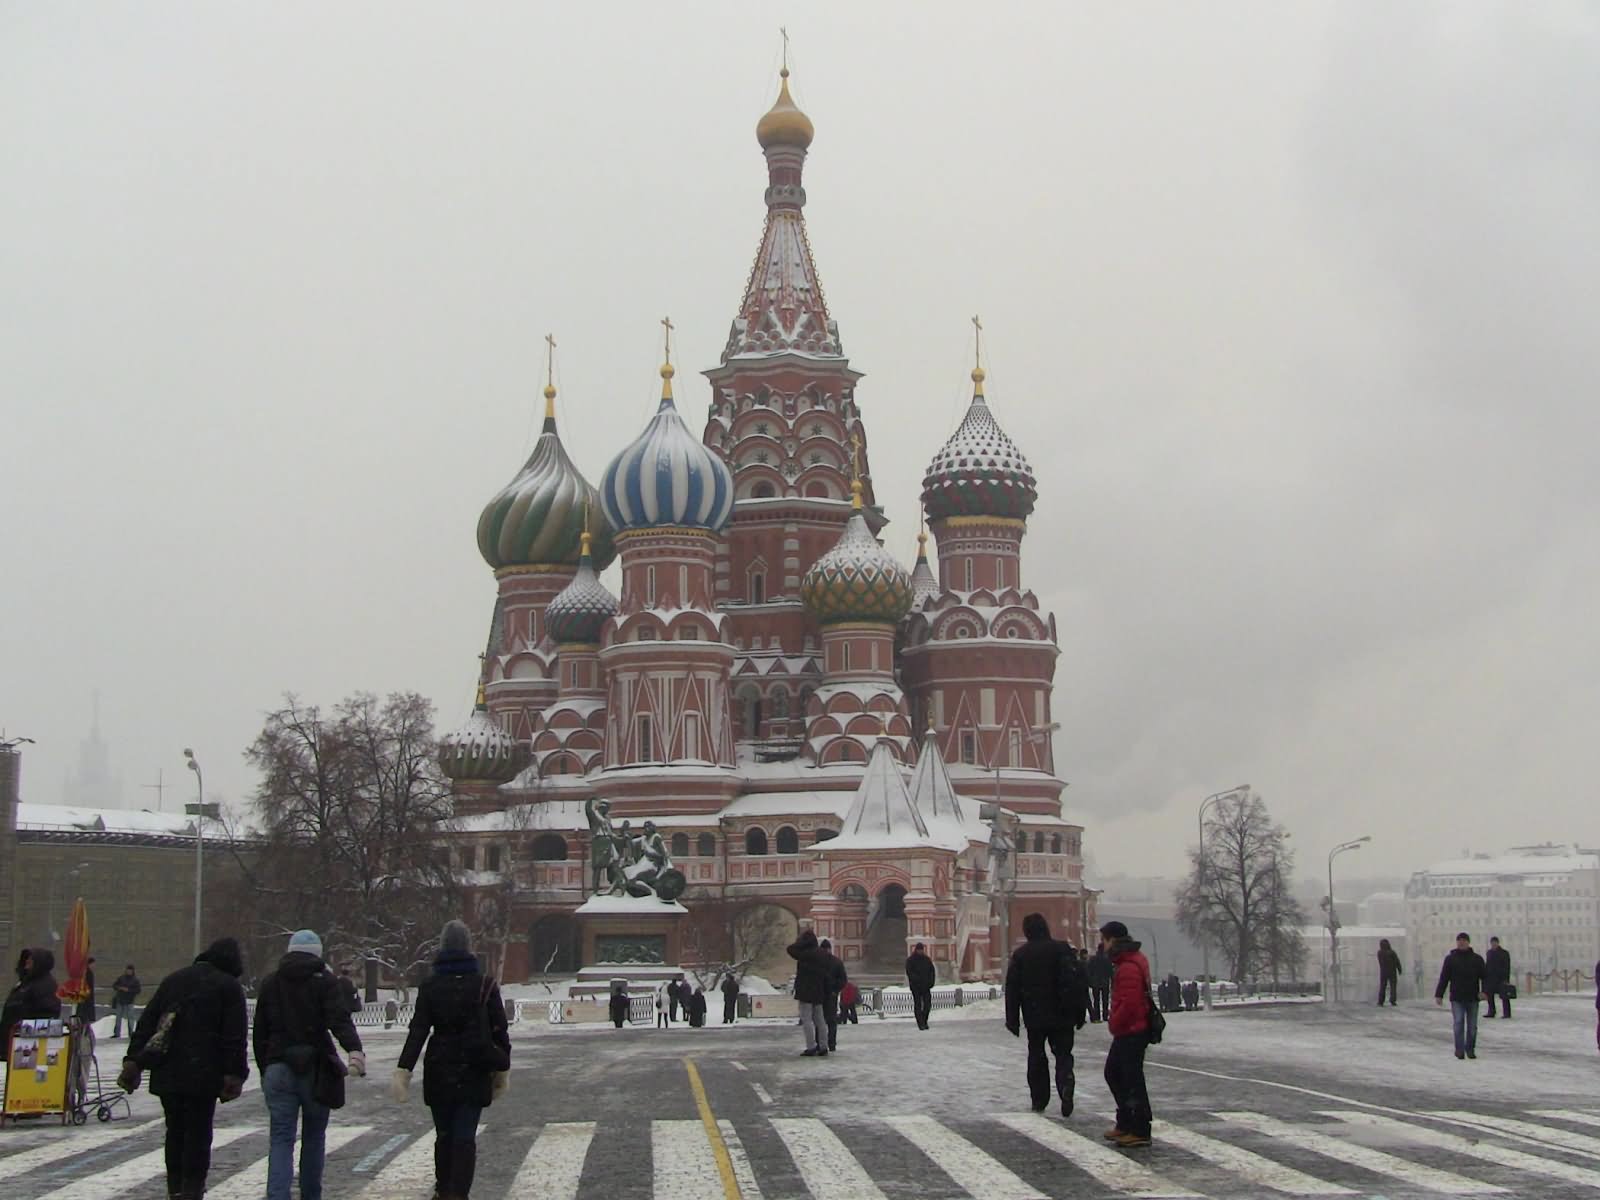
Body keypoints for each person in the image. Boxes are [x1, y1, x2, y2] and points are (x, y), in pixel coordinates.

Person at [118, 939, 249, 1200]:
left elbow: (148, 1023)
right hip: (204, 1073)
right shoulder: (229, 987)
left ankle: (175, 1187)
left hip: (169, 1071)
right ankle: (192, 1188)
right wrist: (234, 1073)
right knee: (199, 1133)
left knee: (175, 1131)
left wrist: (134, 1060)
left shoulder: (173, 981)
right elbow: (234, 1037)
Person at [392, 920, 511, 1200]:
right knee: (465, 1136)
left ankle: (443, 1189)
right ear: (469, 947)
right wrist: (502, 1067)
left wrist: (404, 1069)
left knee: (444, 1134)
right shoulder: (485, 984)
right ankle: (458, 1193)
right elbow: (499, 1030)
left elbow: (418, 1031)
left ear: (442, 947)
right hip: (475, 1068)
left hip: (439, 1067)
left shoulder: (431, 985)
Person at [253, 929, 367, 1200]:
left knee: (281, 1138)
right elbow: (339, 1020)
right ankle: (310, 1194)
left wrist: (264, 1067)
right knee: (314, 1137)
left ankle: (277, 1195)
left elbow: (260, 1033)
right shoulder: (324, 982)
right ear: (318, 954)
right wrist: (354, 1050)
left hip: (278, 1065)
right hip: (316, 1068)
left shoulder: (271, 983)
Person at [1005, 912, 1088, 1116]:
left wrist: (1012, 1020)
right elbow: (1077, 982)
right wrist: (1080, 1012)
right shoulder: (1063, 950)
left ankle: (1039, 1099)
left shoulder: (1021, 955)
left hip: (1035, 1015)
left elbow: (1012, 989)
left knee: (1037, 1056)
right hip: (1063, 1014)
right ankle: (1065, 1083)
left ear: (1027, 932)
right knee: (1063, 1054)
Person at [1099, 920, 1154, 1148]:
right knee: (1118, 1074)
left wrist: (1115, 1021)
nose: (1102, 945)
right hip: (1131, 1029)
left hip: (1132, 1029)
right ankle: (1126, 1122)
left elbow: (1130, 1002)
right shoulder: (1128, 960)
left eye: (1103, 940)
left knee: (1128, 1077)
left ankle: (1139, 1127)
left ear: (1112, 939)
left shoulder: (1129, 965)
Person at [1435, 931, 1487, 1060]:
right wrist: (1439, 994)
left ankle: (1470, 1049)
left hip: (1473, 997)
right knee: (1458, 1023)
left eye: (1464, 940)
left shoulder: (1477, 959)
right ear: (1457, 943)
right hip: (1457, 997)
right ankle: (1459, 1050)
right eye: (1460, 940)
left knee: (1472, 1026)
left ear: (1468, 943)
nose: (1462, 942)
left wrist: (1485, 991)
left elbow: (1485, 977)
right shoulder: (1451, 959)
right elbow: (1444, 977)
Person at [1, 947, 61, 1051]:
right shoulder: (26, 983)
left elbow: (47, 1013)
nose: (27, 961)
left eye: (31, 958)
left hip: (27, 1043)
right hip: (14, 1040)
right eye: (26, 958)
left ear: (39, 962)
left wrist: (25, 1027)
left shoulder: (45, 984)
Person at [787, 928, 831, 1056]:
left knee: (807, 1019)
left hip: (805, 991)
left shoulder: (804, 953)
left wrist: (800, 943)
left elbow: (790, 949)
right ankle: (823, 1046)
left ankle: (811, 1046)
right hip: (818, 990)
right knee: (820, 1020)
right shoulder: (822, 953)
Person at [819, 938, 847, 1052]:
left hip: (820, 995)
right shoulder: (837, 962)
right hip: (831, 995)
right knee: (831, 1021)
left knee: (820, 1021)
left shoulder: (817, 962)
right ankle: (831, 1044)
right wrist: (836, 989)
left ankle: (821, 1043)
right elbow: (843, 980)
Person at [905, 941, 936, 1030]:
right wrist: (916, 981)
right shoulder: (911, 960)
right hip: (916, 987)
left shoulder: (927, 960)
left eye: (922, 950)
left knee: (927, 1005)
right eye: (919, 950)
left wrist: (931, 982)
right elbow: (909, 972)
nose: (921, 952)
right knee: (918, 1005)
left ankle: (924, 1020)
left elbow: (932, 971)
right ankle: (920, 1023)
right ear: (916, 950)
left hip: (926, 987)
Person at [111, 963, 142, 1038]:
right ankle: (117, 1033)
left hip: (129, 1001)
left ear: (132, 971)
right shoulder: (121, 978)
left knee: (130, 1018)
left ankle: (131, 1033)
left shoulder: (135, 980)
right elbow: (114, 985)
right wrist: (119, 988)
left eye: (130, 970)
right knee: (118, 1018)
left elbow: (138, 990)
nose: (129, 972)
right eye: (127, 970)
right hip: (120, 1000)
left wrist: (129, 990)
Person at [1484, 936, 1512, 1019]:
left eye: (1495, 942)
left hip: (1501, 978)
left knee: (1504, 996)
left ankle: (1507, 1013)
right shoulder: (1489, 953)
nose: (1493, 944)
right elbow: (1487, 965)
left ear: (1498, 943)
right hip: (1491, 978)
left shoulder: (1504, 953)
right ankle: (1491, 1012)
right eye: (1492, 943)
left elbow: (1507, 967)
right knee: (1490, 996)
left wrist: (1506, 979)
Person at [1086, 944, 1112, 1023]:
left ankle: (1097, 1016)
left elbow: (1089, 970)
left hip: (1095, 982)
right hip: (1105, 982)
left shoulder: (1093, 959)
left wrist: (1090, 981)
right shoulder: (1107, 959)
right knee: (1105, 1000)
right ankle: (1105, 1016)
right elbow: (1110, 971)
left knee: (1096, 1000)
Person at [1376, 938, 1403, 1007]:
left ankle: (1380, 1001)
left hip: (1383, 972)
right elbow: (1397, 961)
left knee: (1382, 986)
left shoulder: (1379, 953)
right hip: (1392, 972)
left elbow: (1380, 962)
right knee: (1393, 986)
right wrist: (1399, 970)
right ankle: (1393, 1001)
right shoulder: (1392, 952)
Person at [76, 956, 97, 1026]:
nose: (94, 966)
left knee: (84, 1018)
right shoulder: (87, 973)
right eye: (93, 964)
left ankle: (84, 1032)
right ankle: (83, 1032)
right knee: (84, 1018)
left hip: (86, 999)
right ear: (89, 964)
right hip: (86, 999)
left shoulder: (89, 973)